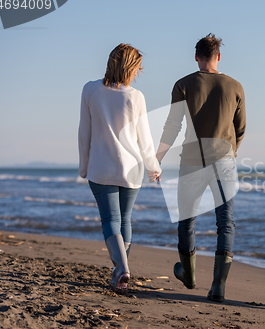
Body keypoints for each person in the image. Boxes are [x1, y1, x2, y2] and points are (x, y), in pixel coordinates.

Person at [156, 33, 246, 302]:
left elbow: (172, 125)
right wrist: (230, 152)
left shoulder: (183, 84)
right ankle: (218, 286)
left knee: (187, 218)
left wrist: (157, 157)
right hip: (225, 160)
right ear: (219, 56)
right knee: (225, 223)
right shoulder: (235, 86)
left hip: (192, 159)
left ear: (196, 57)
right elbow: (240, 128)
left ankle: (189, 274)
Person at [78, 43, 162, 294]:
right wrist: (152, 167)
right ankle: (120, 270)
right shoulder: (135, 96)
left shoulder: (90, 90)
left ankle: (121, 269)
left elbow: (85, 132)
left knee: (110, 219)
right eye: (137, 68)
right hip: (132, 169)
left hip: (101, 167)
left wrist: (83, 167)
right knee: (124, 219)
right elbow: (144, 139)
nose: (137, 73)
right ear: (129, 67)